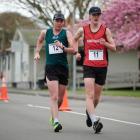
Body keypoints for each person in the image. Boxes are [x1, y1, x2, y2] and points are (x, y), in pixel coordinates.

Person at [74, 6, 116, 133]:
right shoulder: (83, 30)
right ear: (90, 16)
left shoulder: (105, 30)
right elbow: (74, 40)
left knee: (97, 98)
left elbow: (114, 47)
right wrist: (76, 52)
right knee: (89, 95)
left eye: (98, 14)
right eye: (94, 14)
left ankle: (89, 113)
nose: (96, 17)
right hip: (88, 66)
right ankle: (94, 121)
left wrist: (105, 44)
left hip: (102, 67)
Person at [34, 11, 76, 132]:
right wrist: (37, 52)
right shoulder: (45, 32)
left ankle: (53, 115)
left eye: (61, 21)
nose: (59, 23)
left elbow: (73, 50)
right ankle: (56, 122)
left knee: (60, 99)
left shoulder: (66, 33)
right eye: (57, 20)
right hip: (51, 67)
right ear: (53, 21)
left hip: (63, 68)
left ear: (63, 22)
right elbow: (40, 40)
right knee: (54, 96)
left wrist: (62, 47)